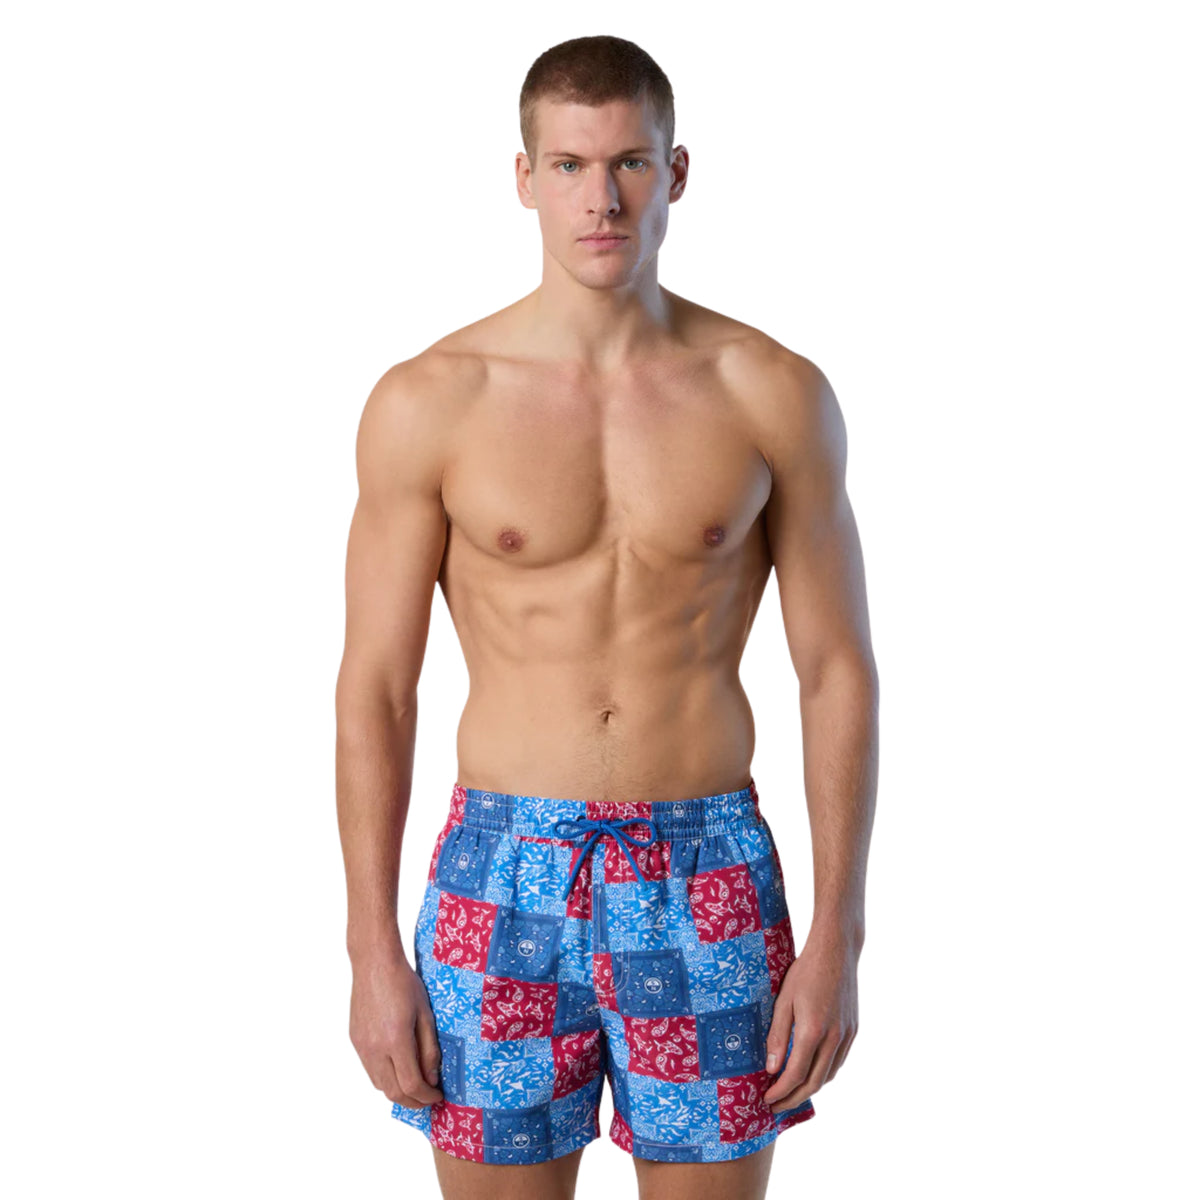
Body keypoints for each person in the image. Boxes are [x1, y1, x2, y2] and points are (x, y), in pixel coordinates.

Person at [335, 33, 878, 1200]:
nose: (602, 198)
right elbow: (376, 688)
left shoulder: (770, 391)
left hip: (706, 870)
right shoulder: (432, 401)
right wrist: (370, 945)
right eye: (571, 165)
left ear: (675, 172)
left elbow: (836, 669)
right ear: (524, 178)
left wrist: (840, 931)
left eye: (630, 162)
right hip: (502, 873)